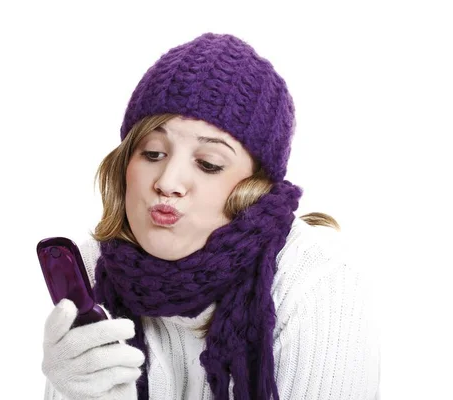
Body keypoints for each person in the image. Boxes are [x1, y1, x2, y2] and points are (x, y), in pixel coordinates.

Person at [41, 33, 380, 400]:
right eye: (153, 153)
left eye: (208, 163)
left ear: (255, 187)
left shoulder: (316, 280)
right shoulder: (94, 273)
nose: (168, 182)